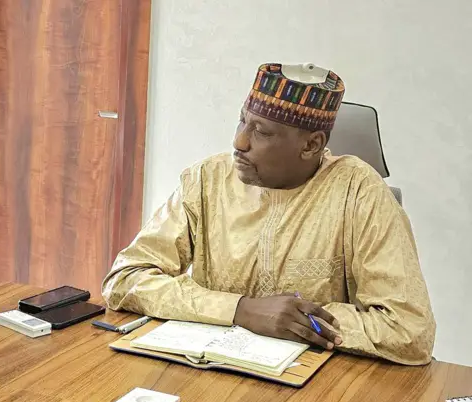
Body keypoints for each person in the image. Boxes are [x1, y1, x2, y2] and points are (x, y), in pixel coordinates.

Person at [102, 63, 435, 364]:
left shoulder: (359, 193)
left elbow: (408, 330)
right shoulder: (207, 180)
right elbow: (125, 279)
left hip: (317, 386)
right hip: (209, 372)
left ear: (311, 145)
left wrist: (297, 321)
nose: (239, 141)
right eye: (242, 121)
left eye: (261, 132)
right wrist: (241, 310)